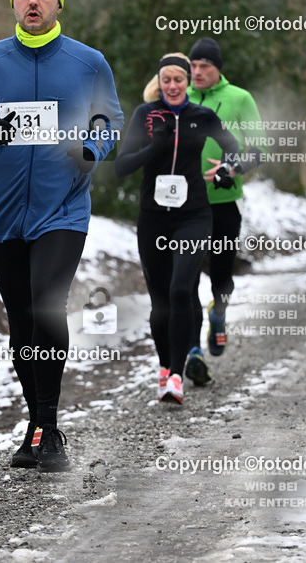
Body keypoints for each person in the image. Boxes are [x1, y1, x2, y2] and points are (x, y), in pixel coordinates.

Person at [0, 0, 123, 472]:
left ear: (58, 4)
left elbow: (111, 116)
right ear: (14, 5)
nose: (33, 1)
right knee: (21, 318)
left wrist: (92, 147)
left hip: (63, 206)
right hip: (2, 212)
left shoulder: (88, 62)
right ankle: (37, 424)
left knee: (46, 305)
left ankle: (50, 424)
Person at [115, 53, 239, 404]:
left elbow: (234, 149)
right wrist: (155, 146)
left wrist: (227, 169)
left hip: (193, 215)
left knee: (182, 288)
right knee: (161, 301)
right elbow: (122, 166)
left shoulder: (203, 116)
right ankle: (165, 369)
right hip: (154, 217)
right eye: (166, 79)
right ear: (159, 81)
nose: (172, 86)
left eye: (179, 80)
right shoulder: (145, 115)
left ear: (188, 83)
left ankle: (176, 376)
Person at [185, 38, 265, 384]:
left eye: (205, 66)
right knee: (184, 278)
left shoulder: (239, 99)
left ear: (218, 69)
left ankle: (219, 313)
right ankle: (192, 351)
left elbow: (258, 150)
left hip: (223, 203)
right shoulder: (179, 95)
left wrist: (231, 167)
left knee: (221, 275)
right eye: (194, 66)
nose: (198, 72)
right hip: (184, 206)